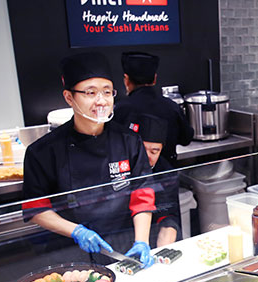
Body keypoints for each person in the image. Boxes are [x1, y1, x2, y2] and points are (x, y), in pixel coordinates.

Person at [22, 52, 155, 267]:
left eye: (106, 92)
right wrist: (76, 231)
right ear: (69, 97)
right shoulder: (43, 151)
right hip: (70, 249)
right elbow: (35, 208)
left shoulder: (129, 140)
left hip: (122, 244)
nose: (101, 101)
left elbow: (143, 194)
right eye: (90, 93)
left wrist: (142, 240)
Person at [113, 51, 194, 166]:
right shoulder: (172, 106)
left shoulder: (120, 109)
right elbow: (186, 138)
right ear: (155, 79)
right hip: (167, 178)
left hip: (130, 180)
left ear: (126, 80)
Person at [128, 113, 182, 247]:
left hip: (151, 234)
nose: (147, 157)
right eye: (142, 150)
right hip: (122, 233)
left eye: (154, 151)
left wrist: (163, 249)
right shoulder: (120, 167)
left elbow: (168, 215)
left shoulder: (166, 172)